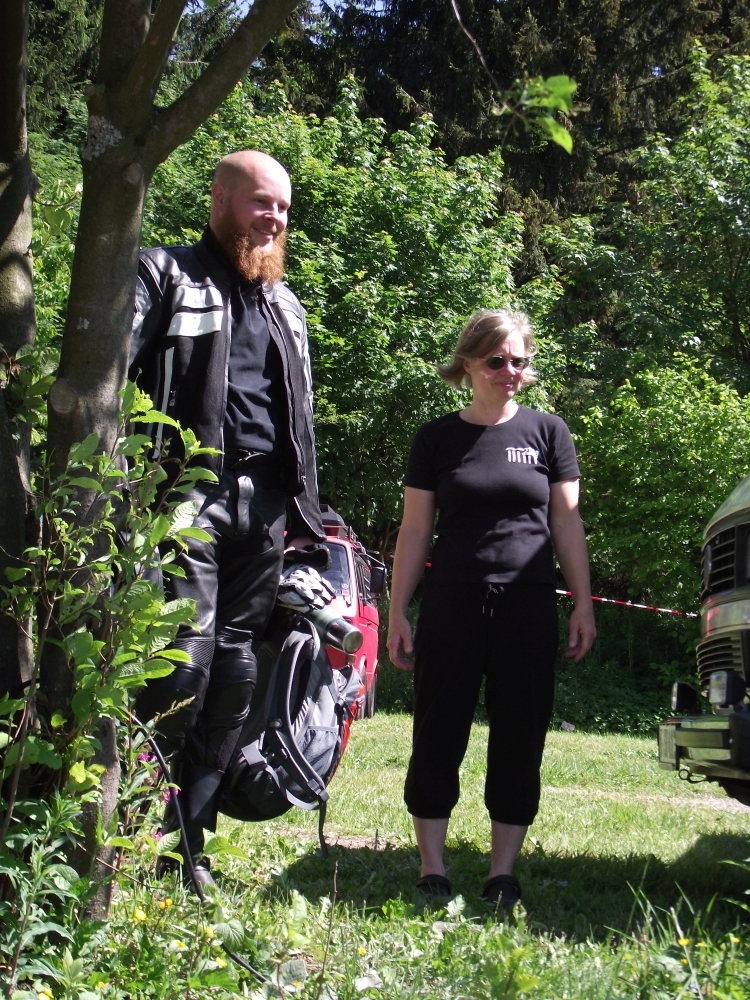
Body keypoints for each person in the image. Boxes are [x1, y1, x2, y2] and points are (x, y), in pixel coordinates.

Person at [128, 150, 325, 889]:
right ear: (219, 198)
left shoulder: (286, 306)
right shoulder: (164, 274)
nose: (273, 218)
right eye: (260, 202)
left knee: (238, 672)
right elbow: (107, 378)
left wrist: (308, 517)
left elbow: (297, 422)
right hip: (185, 496)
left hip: (265, 509)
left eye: (283, 208)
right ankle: (134, 831)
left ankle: (188, 847)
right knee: (183, 661)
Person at [386, 309, 596, 907]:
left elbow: (567, 524)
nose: (510, 372)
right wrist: (397, 611)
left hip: (527, 605)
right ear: (469, 363)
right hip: (452, 603)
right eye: (498, 360)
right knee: (438, 728)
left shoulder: (548, 432)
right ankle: (432, 868)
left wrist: (583, 604)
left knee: (520, 734)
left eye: (519, 362)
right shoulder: (436, 439)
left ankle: (502, 872)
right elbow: (415, 531)